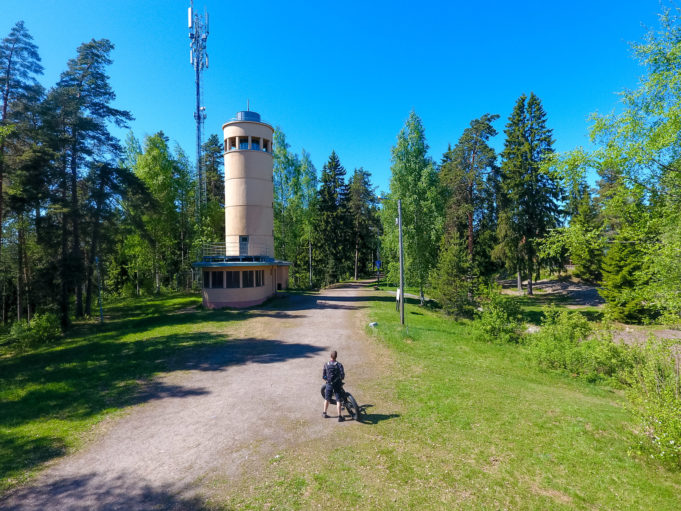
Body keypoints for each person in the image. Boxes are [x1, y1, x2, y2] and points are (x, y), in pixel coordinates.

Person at [322, 350, 345, 422]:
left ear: (330, 356)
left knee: (327, 399)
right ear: (336, 356)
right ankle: (339, 417)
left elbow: (323, 376)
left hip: (329, 384)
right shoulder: (339, 365)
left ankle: (324, 413)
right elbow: (342, 376)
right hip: (337, 384)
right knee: (338, 400)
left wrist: (327, 380)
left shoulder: (326, 364)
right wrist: (340, 379)